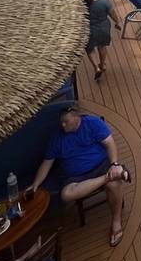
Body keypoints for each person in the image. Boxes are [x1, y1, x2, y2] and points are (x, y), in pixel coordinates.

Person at [26, 104, 132, 245]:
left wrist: (114, 164)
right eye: (61, 122)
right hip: (76, 176)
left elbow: (110, 143)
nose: (62, 125)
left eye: (66, 122)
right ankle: (110, 177)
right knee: (66, 194)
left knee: (114, 185)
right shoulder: (57, 137)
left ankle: (116, 222)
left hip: (101, 165)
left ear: (77, 118)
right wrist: (35, 184)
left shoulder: (92, 123)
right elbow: (47, 163)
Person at [82, 0, 113, 80]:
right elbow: (112, 13)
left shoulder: (82, 5)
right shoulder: (104, 2)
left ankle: (96, 67)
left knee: (90, 49)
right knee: (102, 46)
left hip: (89, 29)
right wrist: (117, 22)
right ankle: (102, 64)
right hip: (103, 28)